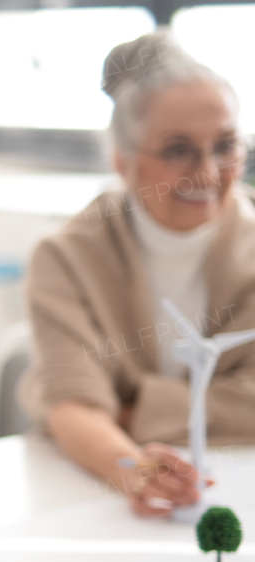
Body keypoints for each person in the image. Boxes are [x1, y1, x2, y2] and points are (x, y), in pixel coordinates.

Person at [21, 32, 255, 517]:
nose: (209, 173)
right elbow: (74, 404)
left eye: (226, 144)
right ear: (122, 161)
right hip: (99, 505)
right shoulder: (64, 256)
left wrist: (135, 411)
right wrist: (131, 466)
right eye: (178, 150)